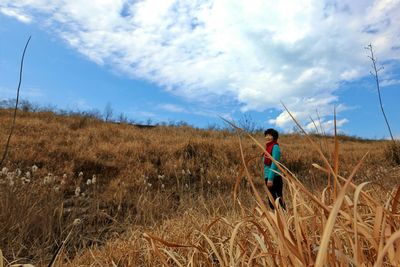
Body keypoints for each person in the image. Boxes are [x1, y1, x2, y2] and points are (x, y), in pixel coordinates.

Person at [263, 128, 285, 210]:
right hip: (268, 176)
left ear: (274, 137)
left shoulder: (275, 147)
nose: (268, 137)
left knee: (277, 200)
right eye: (267, 135)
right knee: (272, 201)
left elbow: (274, 163)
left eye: (270, 135)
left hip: (274, 177)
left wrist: (270, 178)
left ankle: (283, 218)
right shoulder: (267, 148)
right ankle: (277, 219)